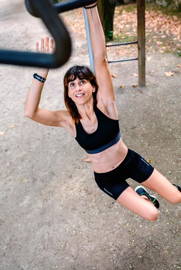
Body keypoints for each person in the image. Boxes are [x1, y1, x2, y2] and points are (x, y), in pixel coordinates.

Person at [25, 2, 181, 221]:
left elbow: (100, 59)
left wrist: (91, 7)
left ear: (93, 86)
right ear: (68, 93)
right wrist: (43, 69)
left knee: (175, 198)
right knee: (152, 214)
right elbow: (31, 112)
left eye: (82, 82)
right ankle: (142, 196)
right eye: (72, 85)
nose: (78, 87)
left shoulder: (106, 105)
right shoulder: (68, 120)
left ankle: (163, 189)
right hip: (107, 179)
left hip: (130, 161)